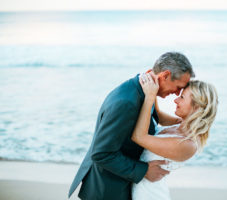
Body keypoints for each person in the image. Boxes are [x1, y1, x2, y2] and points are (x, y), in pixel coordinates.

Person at [68, 52, 195, 200]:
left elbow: (154, 118)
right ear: (165, 76)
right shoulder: (127, 103)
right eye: (178, 87)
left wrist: (185, 122)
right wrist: (144, 170)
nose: (177, 94)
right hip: (108, 189)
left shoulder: (147, 90)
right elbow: (101, 153)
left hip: (122, 184)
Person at [131, 73, 218, 200]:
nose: (175, 100)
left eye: (182, 97)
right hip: (140, 189)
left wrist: (149, 97)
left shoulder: (187, 144)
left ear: (196, 107)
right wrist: (155, 81)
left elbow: (138, 137)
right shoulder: (180, 124)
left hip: (149, 195)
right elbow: (158, 115)